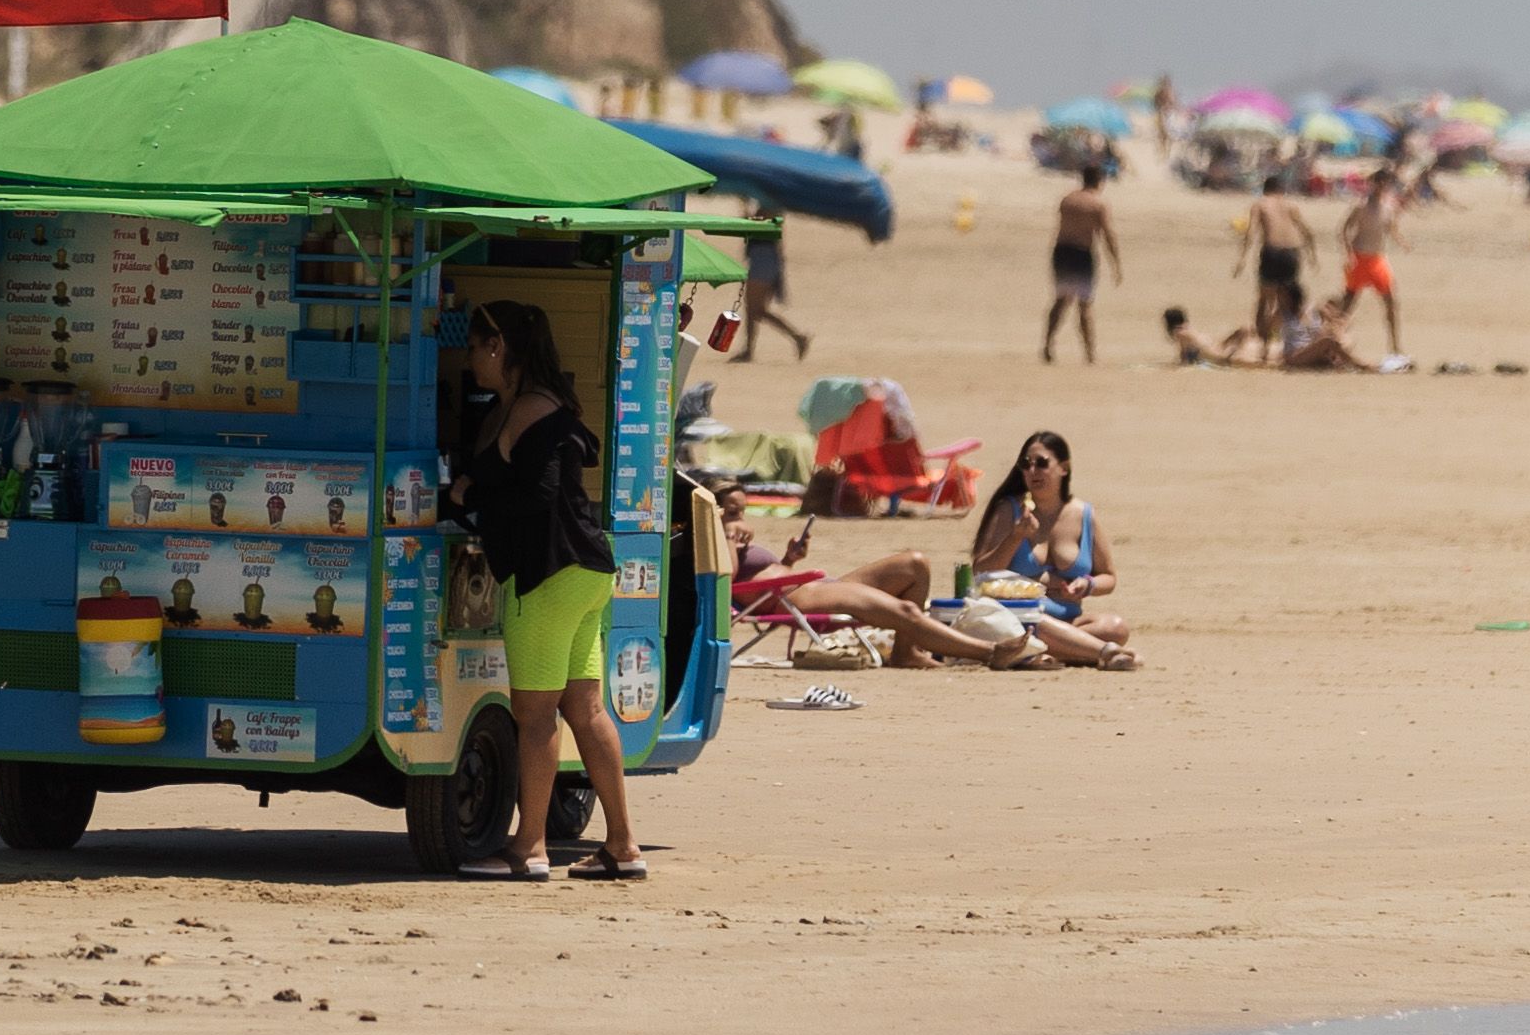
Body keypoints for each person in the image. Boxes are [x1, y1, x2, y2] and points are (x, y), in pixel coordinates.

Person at [443, 298, 640, 878]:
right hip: (587, 573)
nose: (470, 357)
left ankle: (529, 847)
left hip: (547, 575)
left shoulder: (530, 410)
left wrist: (467, 497)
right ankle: (623, 847)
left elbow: (538, 493)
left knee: (534, 716)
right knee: (584, 707)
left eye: (476, 346)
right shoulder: (540, 404)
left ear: (498, 347)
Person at [722, 518, 1053, 669]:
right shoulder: (721, 542)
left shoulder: (732, 539)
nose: (741, 518)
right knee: (905, 612)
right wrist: (730, 541)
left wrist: (790, 560)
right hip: (800, 598)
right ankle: (990, 652)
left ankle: (906, 653)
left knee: (915, 564)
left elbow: (767, 573)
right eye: (732, 509)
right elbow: (725, 580)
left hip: (808, 584)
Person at [969, 431, 1136, 668]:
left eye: (1042, 463)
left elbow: (1108, 577)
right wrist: (1015, 537)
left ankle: (1055, 651)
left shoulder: (1083, 514)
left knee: (1115, 627)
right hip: (1020, 619)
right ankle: (1104, 652)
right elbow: (981, 571)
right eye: (1026, 465)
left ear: (1064, 468)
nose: (1033, 471)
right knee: (1037, 624)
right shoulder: (1009, 510)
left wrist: (1086, 585)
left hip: (1069, 620)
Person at [1041, 165, 1124, 365]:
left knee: (1060, 300)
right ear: (1099, 180)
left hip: (1061, 251)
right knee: (1084, 305)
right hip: (1081, 254)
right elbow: (1108, 235)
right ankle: (1089, 354)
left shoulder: (1067, 199)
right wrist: (1116, 264)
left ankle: (1048, 344)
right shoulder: (1098, 204)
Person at [1231, 174, 1317, 351]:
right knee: (1287, 300)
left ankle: (1264, 347)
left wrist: (1241, 259)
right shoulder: (1290, 205)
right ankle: (1292, 344)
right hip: (1292, 253)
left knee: (1264, 300)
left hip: (1272, 252)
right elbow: (1307, 232)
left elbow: (1251, 231)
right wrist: (1312, 257)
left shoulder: (1260, 204)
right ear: (1281, 189)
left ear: (1264, 189)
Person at [1334, 167, 1406, 358]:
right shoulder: (1361, 205)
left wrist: (1402, 242)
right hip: (1359, 258)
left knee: (1391, 303)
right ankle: (1333, 343)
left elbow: (1391, 228)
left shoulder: (1389, 206)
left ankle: (1395, 347)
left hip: (1377, 259)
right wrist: (1348, 254)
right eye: (1378, 182)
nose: (1381, 186)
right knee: (1347, 304)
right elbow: (1343, 230)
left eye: (1385, 183)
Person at [737, 224, 810, 363]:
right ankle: (748, 350)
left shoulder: (769, 208)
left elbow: (762, 226)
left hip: (763, 258)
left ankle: (797, 337)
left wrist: (747, 218)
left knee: (755, 309)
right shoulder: (770, 208)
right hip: (764, 257)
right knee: (755, 309)